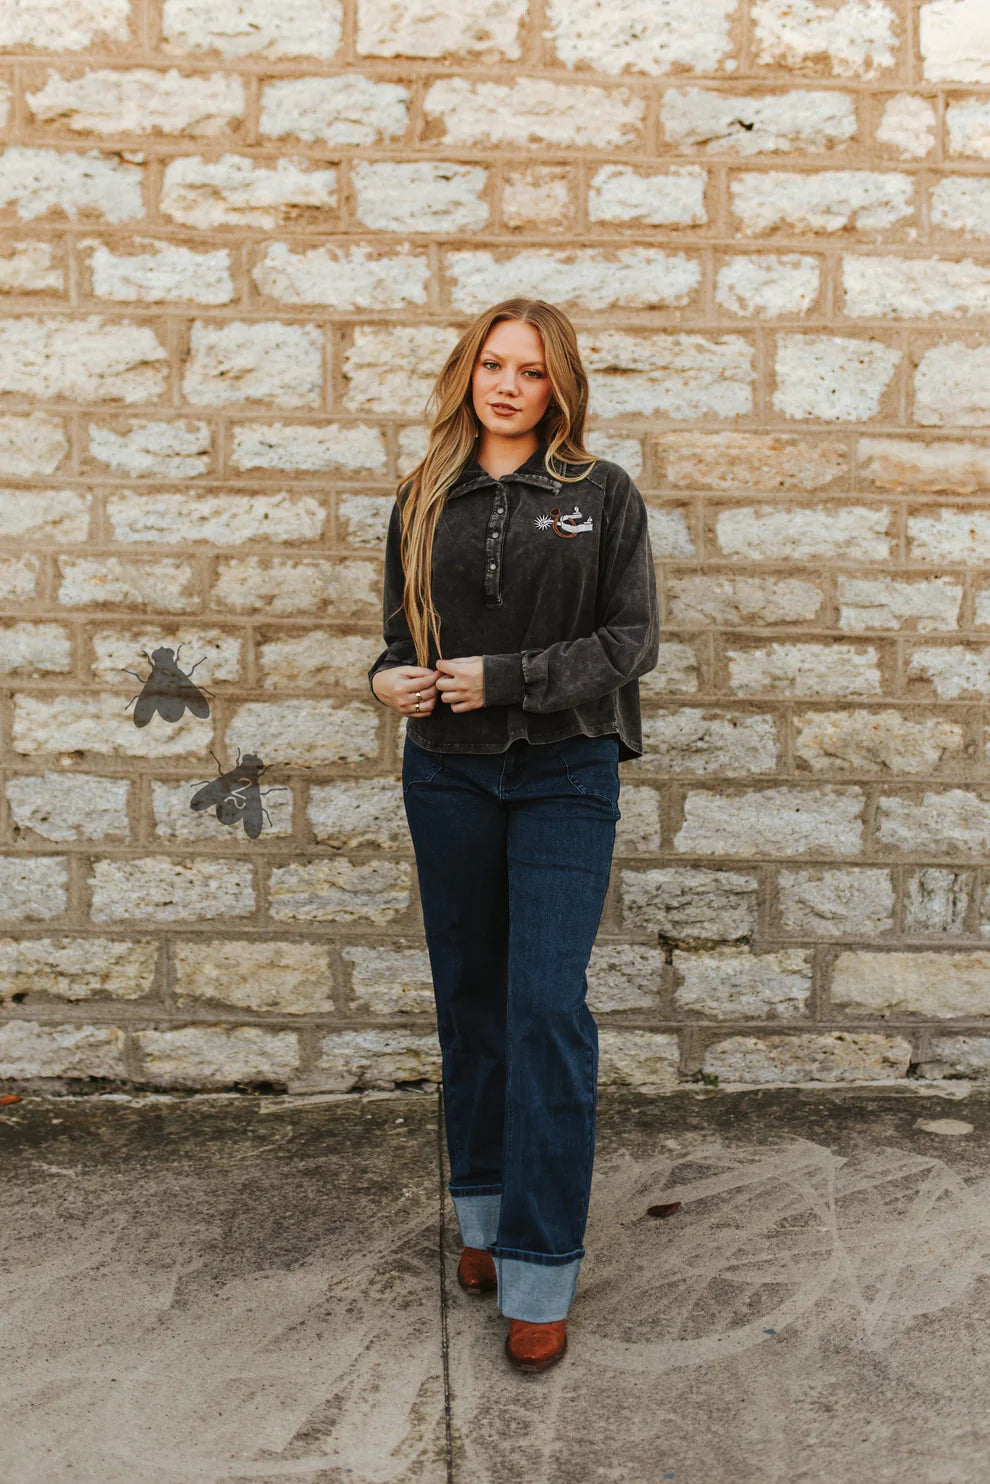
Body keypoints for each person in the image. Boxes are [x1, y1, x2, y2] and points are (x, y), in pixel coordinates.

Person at [368, 298, 659, 1373]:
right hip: (446, 772)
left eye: (531, 371)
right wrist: (387, 681)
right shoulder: (422, 496)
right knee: (471, 1002)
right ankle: (484, 1217)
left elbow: (632, 640)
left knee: (543, 1006)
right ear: (468, 372)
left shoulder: (600, 494)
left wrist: (506, 679)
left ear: (558, 385)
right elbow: (398, 638)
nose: (508, 385)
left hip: (565, 770)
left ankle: (541, 1265)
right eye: (494, 364)